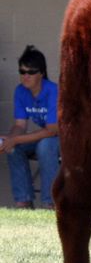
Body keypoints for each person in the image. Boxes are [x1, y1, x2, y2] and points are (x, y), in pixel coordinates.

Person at [0, 45, 60, 210]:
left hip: (69, 139)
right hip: (46, 137)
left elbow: (53, 130)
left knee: (45, 145)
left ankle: (50, 203)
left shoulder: (53, 90)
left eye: (31, 72)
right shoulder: (20, 91)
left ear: (41, 73)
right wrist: (10, 139)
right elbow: (20, 125)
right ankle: (23, 202)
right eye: (22, 72)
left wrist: (16, 139)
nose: (25, 76)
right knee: (14, 148)